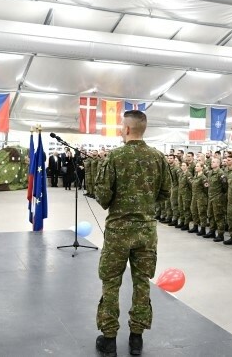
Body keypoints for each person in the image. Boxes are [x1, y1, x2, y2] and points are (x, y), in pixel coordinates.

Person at [93, 110, 170, 357]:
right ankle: (136, 339)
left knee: (111, 282)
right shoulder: (158, 157)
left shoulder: (114, 157)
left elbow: (103, 197)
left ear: (126, 129)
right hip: (146, 231)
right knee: (141, 283)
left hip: (118, 232)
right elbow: (166, 193)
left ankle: (109, 339)